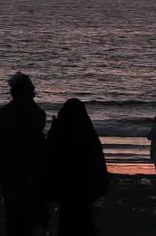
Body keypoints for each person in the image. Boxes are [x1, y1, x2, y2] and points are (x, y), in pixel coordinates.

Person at [0, 72, 48, 236]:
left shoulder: (5, 113)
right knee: (27, 213)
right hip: (28, 169)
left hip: (13, 170)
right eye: (30, 86)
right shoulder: (35, 113)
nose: (34, 88)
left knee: (14, 214)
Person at [45, 99, 110, 236]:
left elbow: (48, 157)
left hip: (65, 187)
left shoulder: (58, 132)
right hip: (84, 188)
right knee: (84, 222)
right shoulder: (87, 132)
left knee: (67, 222)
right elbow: (97, 160)